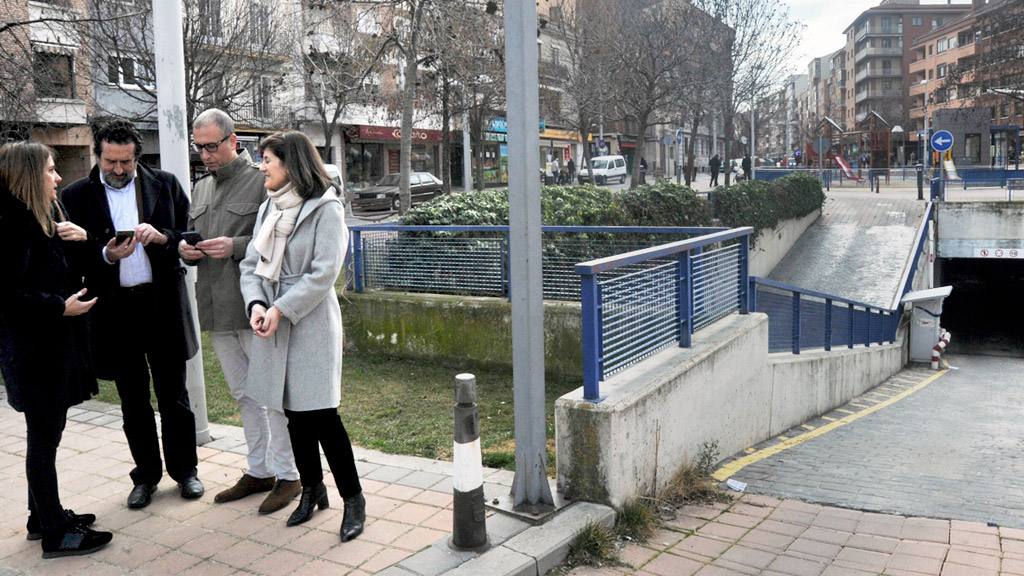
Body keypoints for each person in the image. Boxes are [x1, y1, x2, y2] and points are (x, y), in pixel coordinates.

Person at [61, 119, 203, 509]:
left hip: (162, 306)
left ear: (137, 157)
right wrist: (106, 254)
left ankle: (185, 471)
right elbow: (71, 257)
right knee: (133, 401)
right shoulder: (75, 196)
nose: (119, 170)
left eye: (126, 162)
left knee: (174, 395)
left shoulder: (167, 184)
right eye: (111, 161)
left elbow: (188, 236)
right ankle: (146, 476)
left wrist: (164, 239)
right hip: (114, 312)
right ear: (98, 155)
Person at [239, 131, 365, 542]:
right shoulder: (268, 209)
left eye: (268, 161)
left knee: (324, 417)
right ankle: (312, 490)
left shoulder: (326, 209)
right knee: (293, 414)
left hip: (309, 326)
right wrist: (257, 305)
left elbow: (324, 273)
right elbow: (251, 265)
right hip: (273, 324)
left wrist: (280, 308)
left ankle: (354, 499)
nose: (262, 168)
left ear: (291, 165)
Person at [180, 109, 300, 514]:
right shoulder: (200, 188)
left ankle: (289, 475)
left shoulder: (264, 179)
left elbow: (285, 236)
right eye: (200, 148)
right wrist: (187, 251)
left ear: (234, 140)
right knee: (245, 396)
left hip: (255, 307)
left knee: (273, 396)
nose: (206, 155)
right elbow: (193, 239)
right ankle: (260, 469)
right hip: (216, 309)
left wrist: (235, 247)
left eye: (212, 146)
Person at [0, 141, 114, 558]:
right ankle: (54, 532)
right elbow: (9, 294)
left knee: (47, 436)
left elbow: (59, 271)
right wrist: (57, 307)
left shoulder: (40, 217)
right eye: (50, 170)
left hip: (50, 350)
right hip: (35, 355)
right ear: (29, 174)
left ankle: (41, 516)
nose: (58, 176)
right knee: (43, 441)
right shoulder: (11, 221)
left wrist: (81, 242)